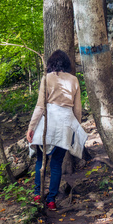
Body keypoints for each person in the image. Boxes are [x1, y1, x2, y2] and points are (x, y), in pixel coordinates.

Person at [26, 50, 88, 210]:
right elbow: (78, 109)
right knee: (56, 164)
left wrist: (31, 127)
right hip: (66, 124)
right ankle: (51, 200)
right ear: (66, 64)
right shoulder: (74, 80)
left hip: (48, 122)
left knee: (40, 161)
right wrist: (76, 128)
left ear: (51, 63)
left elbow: (40, 105)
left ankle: (38, 195)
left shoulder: (46, 78)